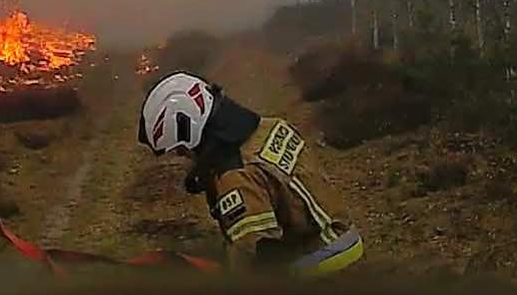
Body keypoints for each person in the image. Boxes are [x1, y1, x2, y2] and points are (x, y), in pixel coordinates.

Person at [138, 71, 364, 276]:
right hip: (343, 237)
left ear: (192, 133)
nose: (184, 157)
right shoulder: (269, 126)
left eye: (181, 149)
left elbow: (258, 254)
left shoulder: (235, 176)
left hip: (325, 259)